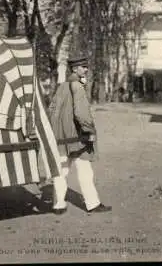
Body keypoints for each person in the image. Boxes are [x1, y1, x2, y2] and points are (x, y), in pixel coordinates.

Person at [48, 56, 112, 215]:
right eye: (83, 67)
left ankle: (58, 205)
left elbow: (52, 110)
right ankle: (93, 204)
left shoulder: (61, 86)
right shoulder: (78, 86)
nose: (86, 70)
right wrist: (89, 131)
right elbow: (82, 114)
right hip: (77, 136)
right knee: (85, 170)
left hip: (60, 137)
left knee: (62, 170)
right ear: (75, 69)